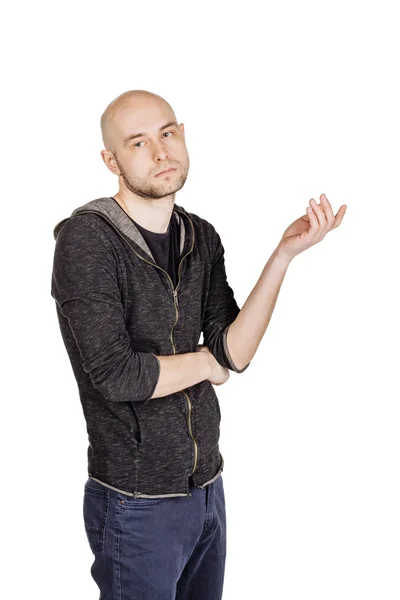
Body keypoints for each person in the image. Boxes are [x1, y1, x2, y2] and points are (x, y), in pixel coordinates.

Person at [50, 89, 347, 599]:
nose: (161, 151)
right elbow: (119, 376)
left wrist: (283, 255)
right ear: (111, 160)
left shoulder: (200, 236)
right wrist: (207, 363)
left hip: (208, 489)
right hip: (135, 502)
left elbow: (235, 352)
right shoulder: (87, 240)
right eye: (138, 142)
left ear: (183, 134)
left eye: (167, 133)